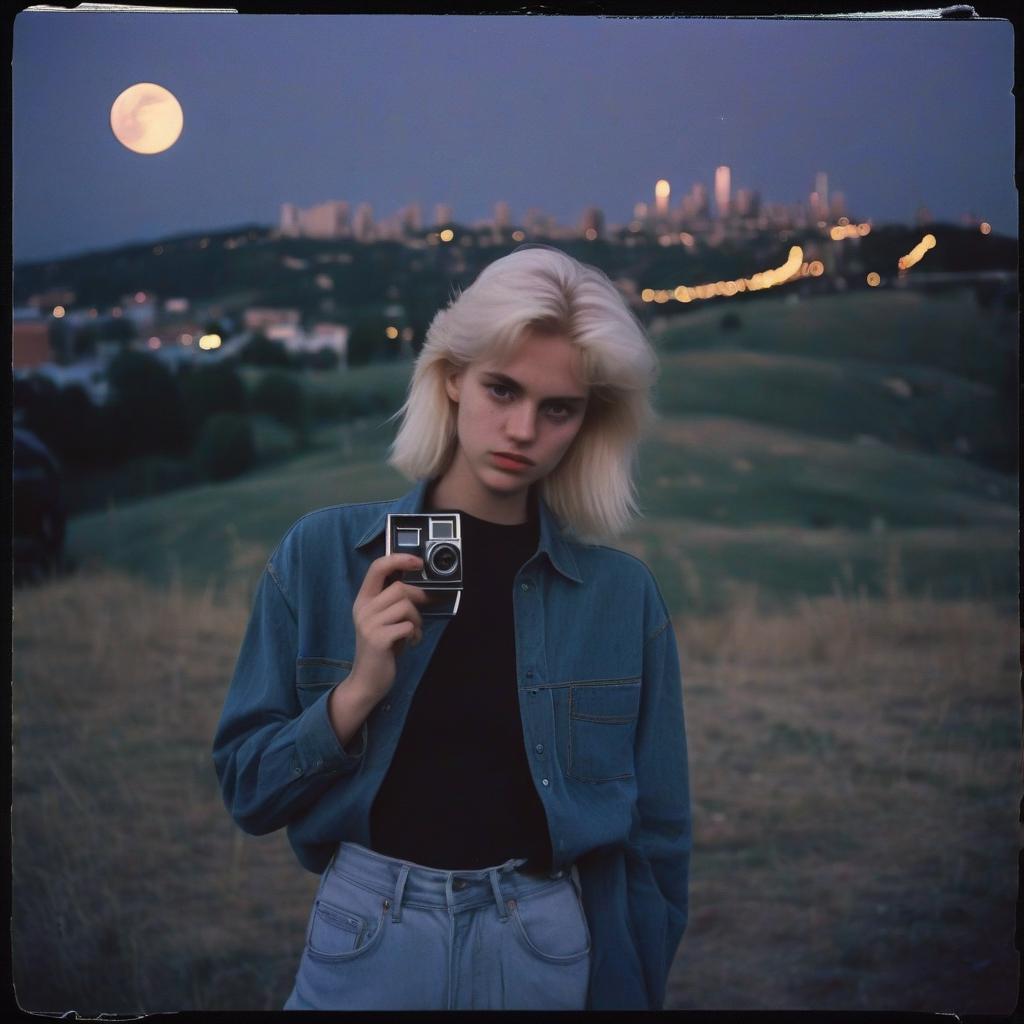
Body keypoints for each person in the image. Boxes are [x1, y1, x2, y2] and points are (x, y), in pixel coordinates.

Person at [212, 244, 691, 1011]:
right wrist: (358, 689)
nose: (522, 428)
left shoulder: (619, 596)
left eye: (557, 407)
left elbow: (658, 836)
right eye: (502, 389)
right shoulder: (324, 554)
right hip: (372, 928)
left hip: (541, 939)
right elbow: (248, 790)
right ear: (452, 377)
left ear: (584, 422)